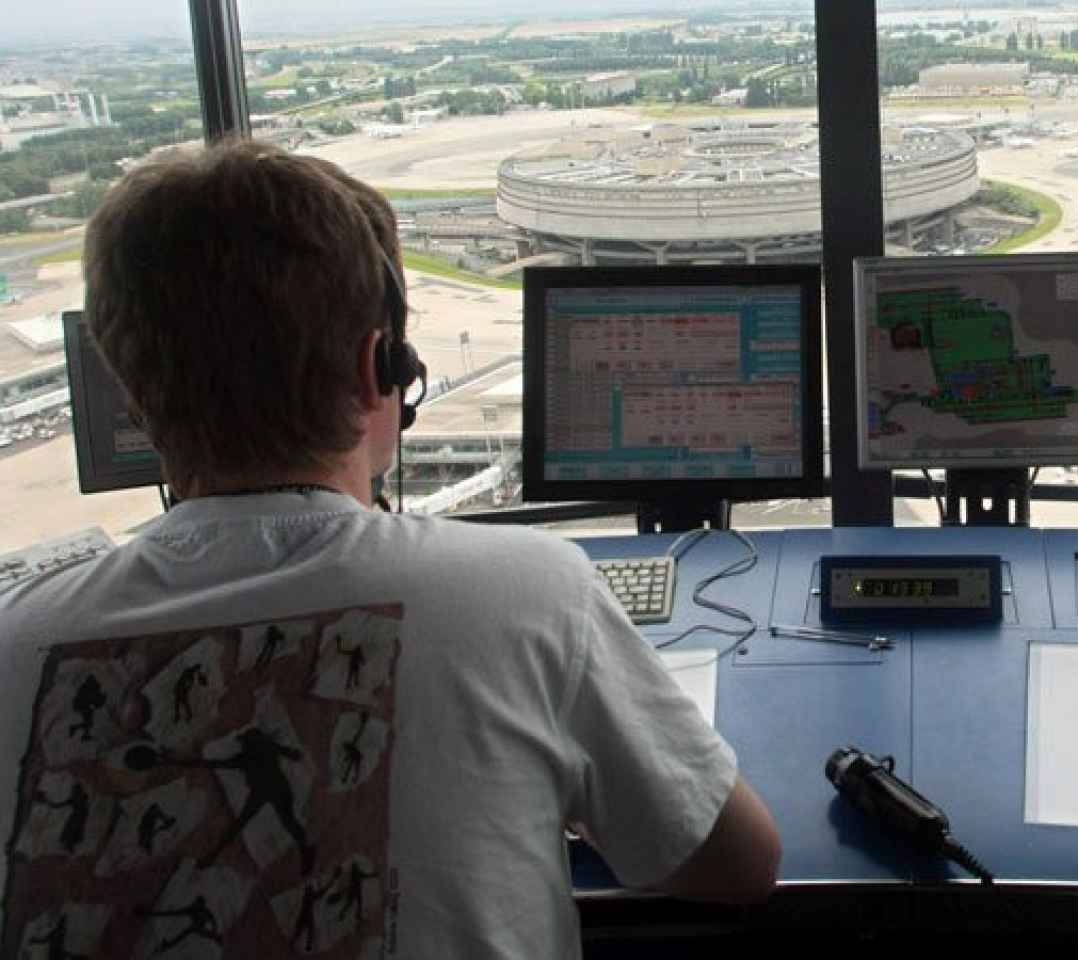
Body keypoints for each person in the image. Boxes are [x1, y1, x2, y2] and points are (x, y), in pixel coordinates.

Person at [0, 139, 779, 957]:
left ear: (127, 386)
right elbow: (740, 863)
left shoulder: (14, 644)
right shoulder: (527, 592)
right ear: (384, 368)